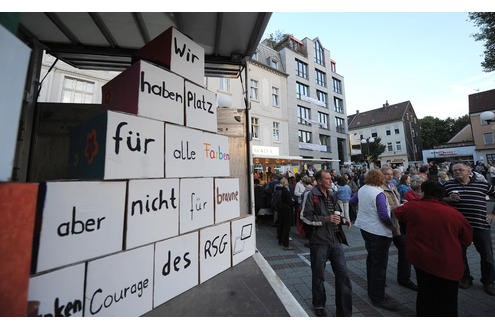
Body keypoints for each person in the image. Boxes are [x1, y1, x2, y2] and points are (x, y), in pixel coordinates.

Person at [394, 181, 473, 316]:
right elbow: (467, 239)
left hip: (422, 260)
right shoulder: (454, 213)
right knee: (448, 300)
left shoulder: (413, 207)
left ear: (424, 192)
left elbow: (397, 212)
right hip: (447, 262)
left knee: (425, 294)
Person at [301, 170, 352, 317]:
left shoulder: (332, 194)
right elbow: (305, 217)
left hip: (335, 240)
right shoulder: (310, 195)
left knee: (343, 274)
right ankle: (319, 305)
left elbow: (337, 212)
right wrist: (326, 219)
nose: (331, 181)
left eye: (331, 178)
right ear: (319, 180)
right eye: (327, 179)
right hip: (319, 241)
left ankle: (344, 311)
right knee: (318, 276)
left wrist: (343, 219)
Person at [443, 161, 495, 296]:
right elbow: (438, 199)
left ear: (469, 170)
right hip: (459, 228)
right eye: (454, 171)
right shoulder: (448, 185)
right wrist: (448, 199)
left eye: (460, 170)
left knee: (487, 256)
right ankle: (465, 278)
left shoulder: (482, 184)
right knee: (460, 255)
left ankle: (488, 282)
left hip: (480, 225)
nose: (457, 173)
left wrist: (492, 213)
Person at [350, 169, 398, 311]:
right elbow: (383, 215)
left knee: (372, 261)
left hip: (366, 229)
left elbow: (352, 201)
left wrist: (364, 211)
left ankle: (372, 292)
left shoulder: (363, 188)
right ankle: (378, 297)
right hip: (379, 232)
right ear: (380, 179)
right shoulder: (378, 193)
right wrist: (394, 226)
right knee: (379, 265)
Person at [382, 166, 417, 291]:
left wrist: (402, 203)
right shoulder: (380, 189)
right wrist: (400, 207)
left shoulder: (393, 186)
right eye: (386, 174)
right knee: (382, 254)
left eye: (391, 174)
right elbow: (383, 208)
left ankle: (404, 278)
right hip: (386, 225)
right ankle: (380, 280)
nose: (390, 176)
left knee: (405, 249)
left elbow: (395, 202)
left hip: (397, 223)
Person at [275, 177, 296, 250]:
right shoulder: (285, 190)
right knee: (286, 227)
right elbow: (290, 201)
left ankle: (280, 240)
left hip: (280, 209)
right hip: (287, 210)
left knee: (281, 225)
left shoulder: (277, 189)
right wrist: (293, 202)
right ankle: (286, 244)